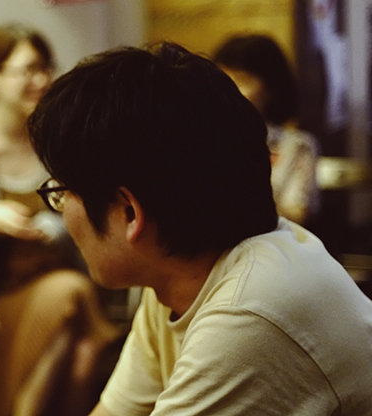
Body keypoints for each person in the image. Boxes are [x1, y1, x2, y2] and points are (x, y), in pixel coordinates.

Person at [27, 43, 372, 415]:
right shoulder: (176, 280)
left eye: (60, 193)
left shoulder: (248, 313)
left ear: (129, 213)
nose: (61, 210)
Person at [0, 23, 119, 416]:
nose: (41, 81)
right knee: (70, 297)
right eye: (27, 70)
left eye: (45, 68)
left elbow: (91, 216)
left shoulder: (54, 142)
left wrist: (52, 229)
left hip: (63, 281)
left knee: (81, 352)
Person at [213, 34, 320, 225]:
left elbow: (297, 215)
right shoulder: (206, 139)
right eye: (223, 79)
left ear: (272, 88)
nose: (229, 90)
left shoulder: (296, 146)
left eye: (242, 80)